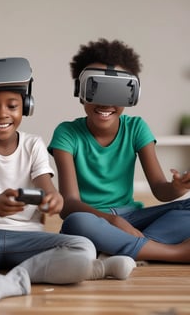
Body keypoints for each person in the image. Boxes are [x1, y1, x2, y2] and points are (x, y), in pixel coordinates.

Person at [0, 57, 136, 308]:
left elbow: (51, 193)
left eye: (12, 106)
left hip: (27, 239)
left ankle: (3, 281)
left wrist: (54, 200)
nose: (2, 114)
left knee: (82, 245)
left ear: (26, 106)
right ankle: (93, 270)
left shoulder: (34, 144)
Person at [48, 38, 190, 263]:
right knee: (76, 223)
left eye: (116, 92)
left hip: (133, 218)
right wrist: (112, 222)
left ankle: (118, 248)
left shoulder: (136, 128)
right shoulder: (67, 134)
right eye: (97, 89)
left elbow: (160, 191)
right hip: (93, 219)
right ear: (80, 90)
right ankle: (171, 253)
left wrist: (177, 187)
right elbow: (69, 205)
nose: (106, 103)